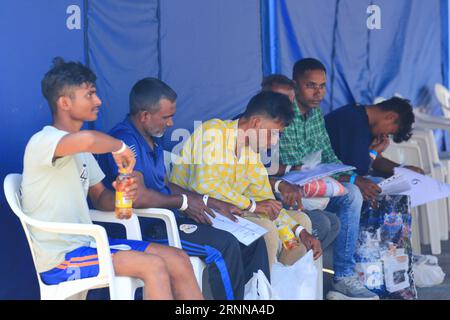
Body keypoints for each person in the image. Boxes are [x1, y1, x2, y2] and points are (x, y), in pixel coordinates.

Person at [21, 57, 203, 300]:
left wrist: (122, 194)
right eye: (90, 95)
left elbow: (101, 199)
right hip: (61, 258)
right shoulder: (43, 141)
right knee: (153, 265)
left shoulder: (82, 152)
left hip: (90, 246)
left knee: (178, 259)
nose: (98, 101)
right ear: (64, 102)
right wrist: (119, 148)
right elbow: (88, 140)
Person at [98, 77, 270, 300]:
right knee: (223, 245)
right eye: (166, 116)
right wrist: (184, 203)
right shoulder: (124, 140)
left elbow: (165, 184)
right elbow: (137, 196)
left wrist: (209, 202)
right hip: (144, 227)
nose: (171, 123)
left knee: (253, 241)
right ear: (144, 116)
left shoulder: (152, 137)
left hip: (165, 219)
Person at [170, 91, 322, 270]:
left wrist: (299, 231)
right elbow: (205, 185)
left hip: (225, 214)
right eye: (273, 134)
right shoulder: (214, 132)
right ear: (256, 122)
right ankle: (259, 291)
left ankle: (281, 289)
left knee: (303, 221)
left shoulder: (250, 153)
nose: (274, 142)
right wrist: (252, 206)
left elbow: (267, 201)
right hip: (190, 215)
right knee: (267, 229)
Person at [277, 57, 378, 300]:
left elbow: (329, 159)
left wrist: (354, 179)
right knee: (329, 216)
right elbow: (274, 168)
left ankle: (343, 277)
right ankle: (307, 278)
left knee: (352, 194)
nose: (318, 92)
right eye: (311, 85)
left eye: (322, 86)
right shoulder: (280, 114)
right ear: (294, 85)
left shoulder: (315, 114)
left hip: (313, 190)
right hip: (284, 191)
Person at [261, 74, 341, 251]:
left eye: (289, 101)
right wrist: (281, 183)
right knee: (319, 222)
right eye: (277, 100)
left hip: (278, 193)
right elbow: (256, 176)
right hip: (257, 202)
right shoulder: (252, 128)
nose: (285, 106)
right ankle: (287, 266)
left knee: (333, 221)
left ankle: (298, 268)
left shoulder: (279, 125)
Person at [325, 97, 423, 179]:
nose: (386, 135)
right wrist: (373, 153)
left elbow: (377, 161)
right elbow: (359, 172)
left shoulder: (365, 121)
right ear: (391, 117)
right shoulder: (355, 122)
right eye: (390, 132)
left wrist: (403, 169)